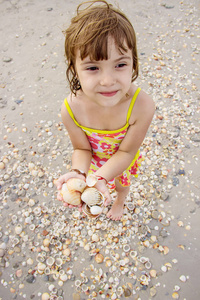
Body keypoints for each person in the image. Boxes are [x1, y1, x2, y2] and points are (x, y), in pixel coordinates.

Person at [55, 0, 155, 221]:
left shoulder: (142, 106)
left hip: (123, 160)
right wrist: (80, 174)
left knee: (121, 185)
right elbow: (82, 149)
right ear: (74, 70)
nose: (108, 81)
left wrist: (101, 176)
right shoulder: (70, 108)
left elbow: (127, 153)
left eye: (120, 65)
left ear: (133, 63)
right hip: (95, 161)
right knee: (101, 181)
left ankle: (119, 202)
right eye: (92, 68)